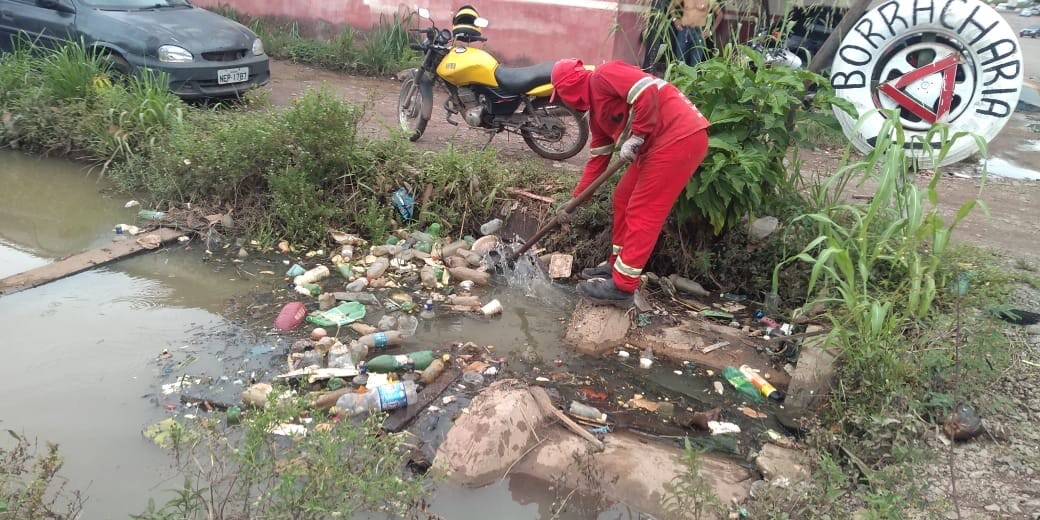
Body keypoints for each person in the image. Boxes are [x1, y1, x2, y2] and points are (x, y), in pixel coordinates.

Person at [550, 58, 710, 308]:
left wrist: (637, 135)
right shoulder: (597, 115)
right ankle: (616, 266)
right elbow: (598, 160)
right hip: (656, 144)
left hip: (679, 136)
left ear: (569, 88)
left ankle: (623, 286)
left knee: (643, 210)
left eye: (561, 95)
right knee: (623, 197)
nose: (564, 102)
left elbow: (646, 90)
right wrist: (575, 200)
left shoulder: (604, 74)